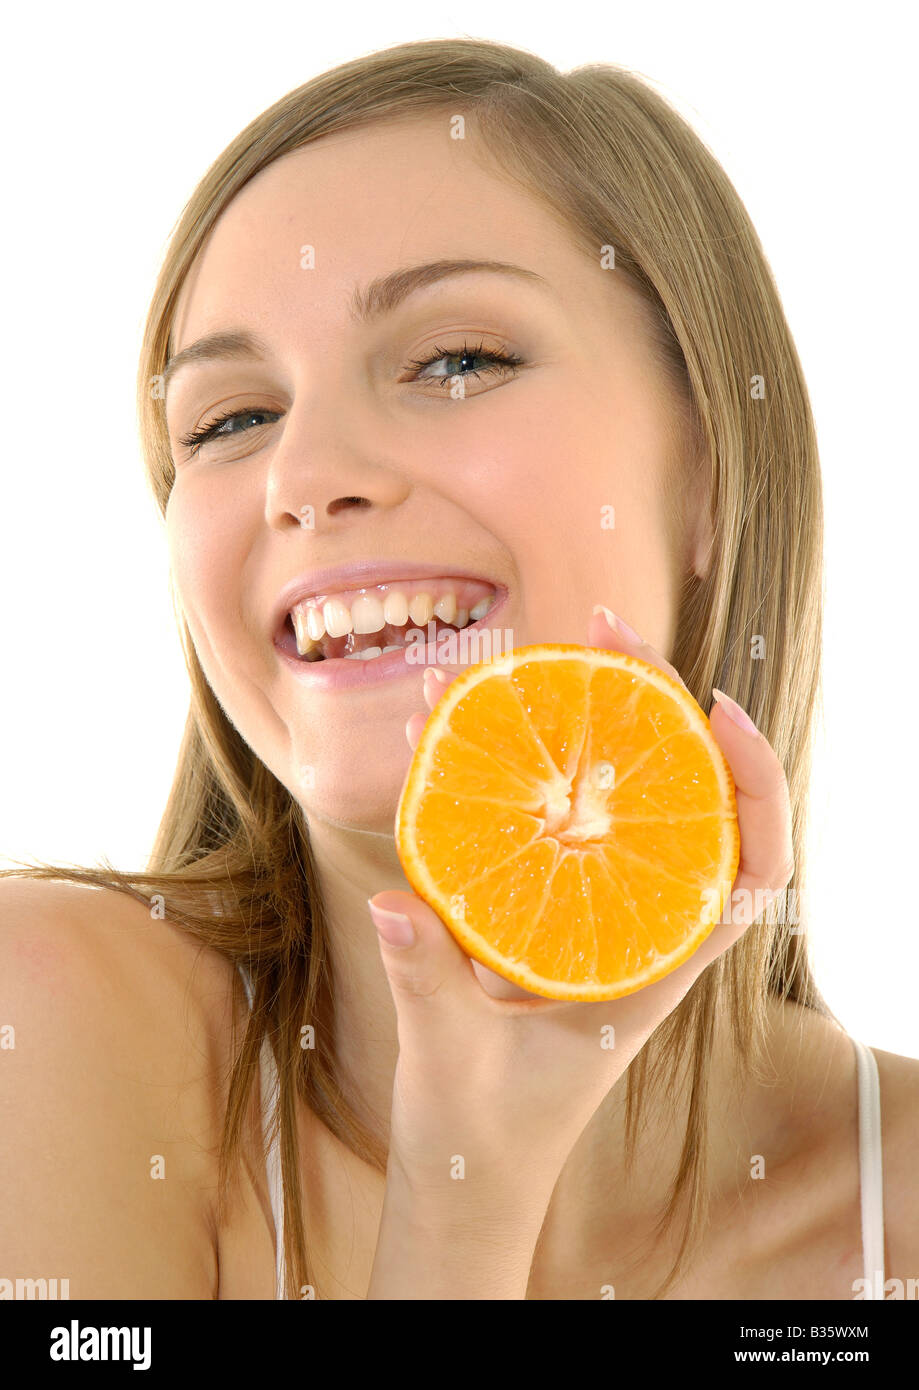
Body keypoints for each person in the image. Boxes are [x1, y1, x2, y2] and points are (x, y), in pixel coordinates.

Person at [2, 37, 916, 1301]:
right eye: (230, 421)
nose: (306, 475)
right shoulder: (44, 1030)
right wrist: (463, 1204)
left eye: (456, 360)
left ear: (710, 471)